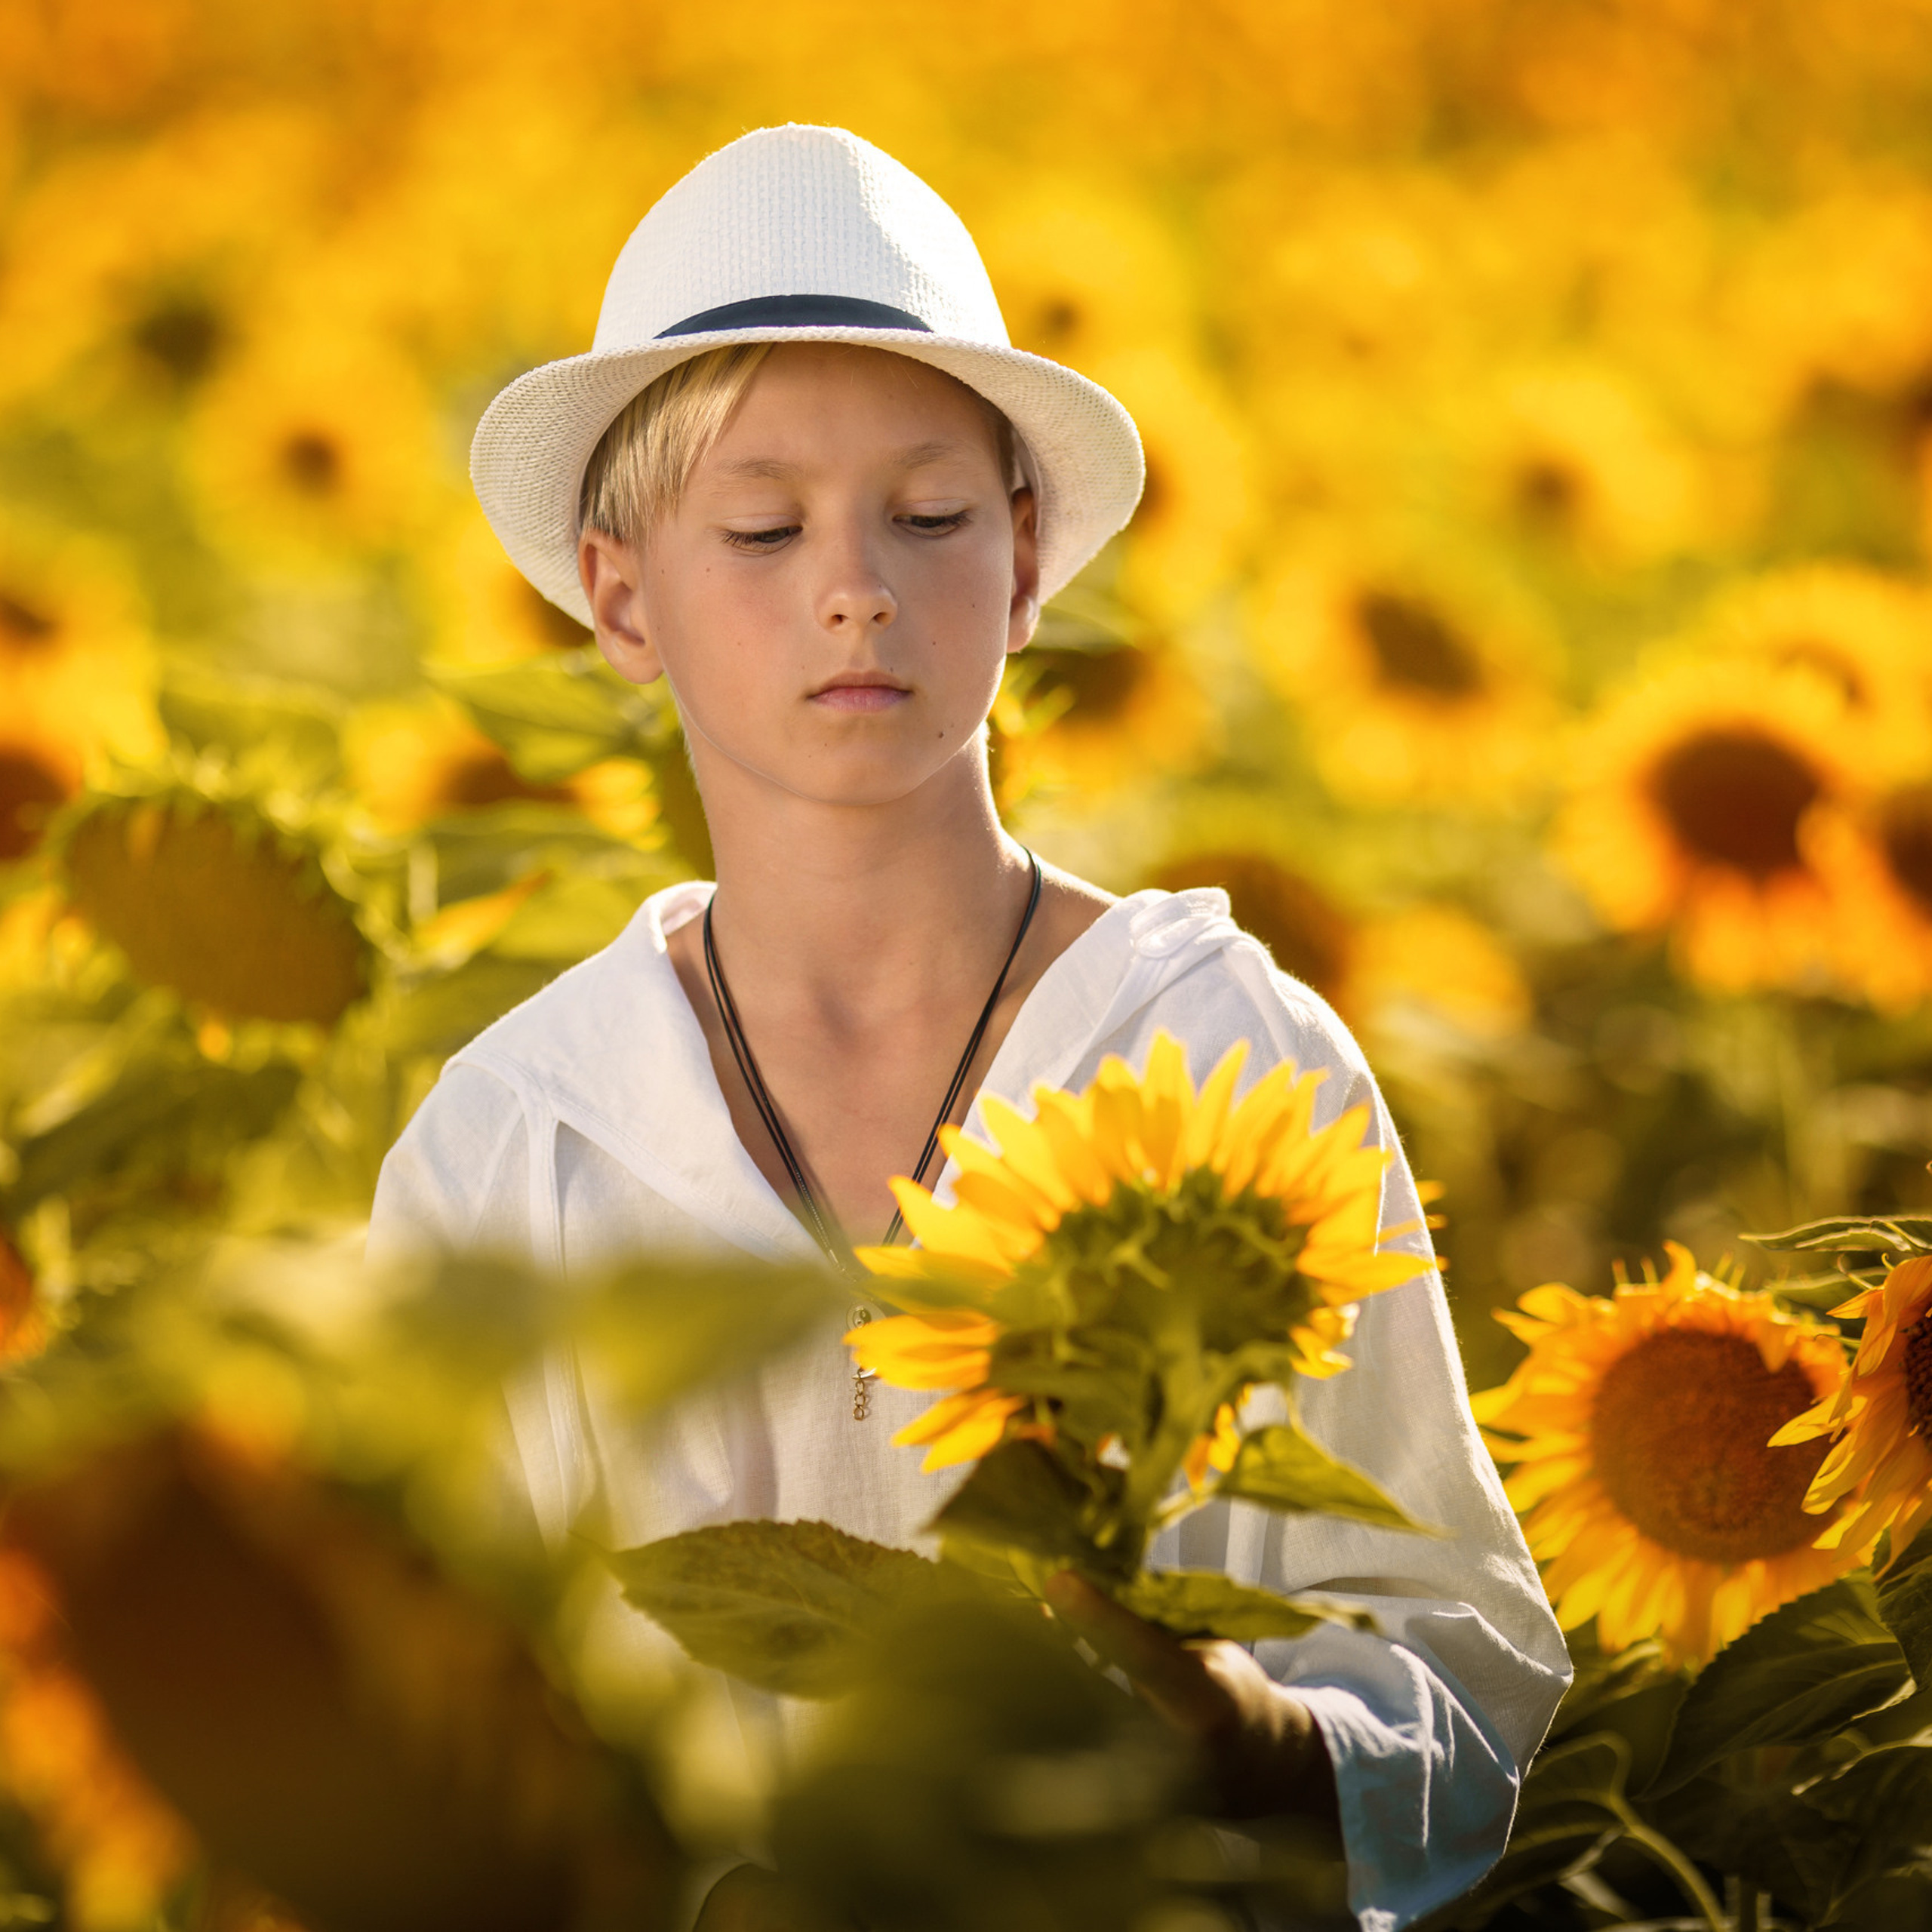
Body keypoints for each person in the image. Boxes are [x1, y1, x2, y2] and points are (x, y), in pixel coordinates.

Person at [368, 123, 1570, 1931]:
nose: (852, 583)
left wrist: (1245, 1733)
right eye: (762, 527)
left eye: (925, 516)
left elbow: (1462, 1678)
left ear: (1021, 564)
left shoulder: (1227, 1062)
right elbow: (426, 1732)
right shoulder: (512, 1136)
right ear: (621, 596)